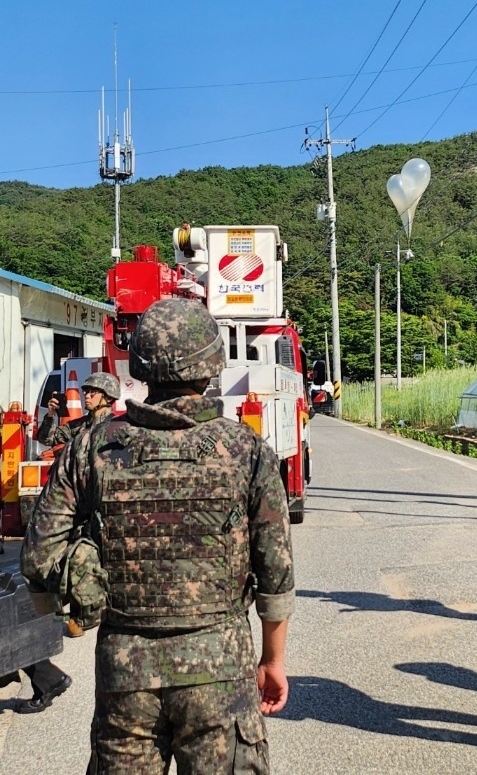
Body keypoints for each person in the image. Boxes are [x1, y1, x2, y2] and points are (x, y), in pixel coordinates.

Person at [21, 298, 295, 774]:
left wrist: (81, 586)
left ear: (140, 364)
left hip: (124, 668)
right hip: (220, 668)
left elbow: (39, 553)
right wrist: (272, 661)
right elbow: (275, 572)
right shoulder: (247, 450)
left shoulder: (92, 446)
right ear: (211, 364)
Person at [36, 371, 121, 638]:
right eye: (86, 391)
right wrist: (51, 415)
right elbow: (46, 439)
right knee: (74, 554)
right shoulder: (77, 426)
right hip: (77, 502)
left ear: (107, 397)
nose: (86, 396)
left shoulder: (119, 427)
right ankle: (77, 614)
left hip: (106, 499)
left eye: (92, 392)